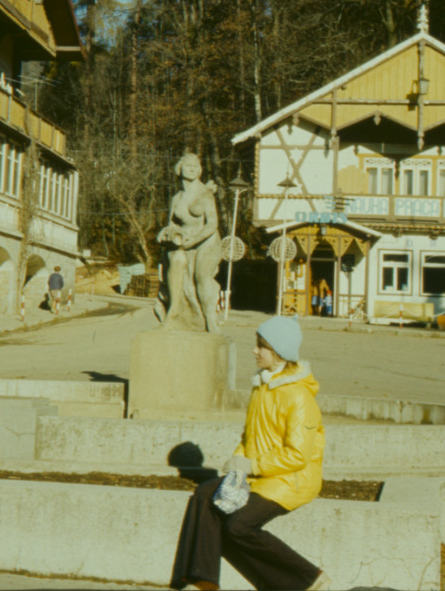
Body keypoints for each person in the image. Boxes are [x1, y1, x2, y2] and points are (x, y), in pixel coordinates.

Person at [171, 316, 328, 591]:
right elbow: (249, 436)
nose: (255, 351)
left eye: (261, 346)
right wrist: (237, 462)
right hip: (260, 474)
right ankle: (200, 578)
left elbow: (298, 456)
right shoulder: (262, 388)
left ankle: (309, 579)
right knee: (204, 493)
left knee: (238, 527)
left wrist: (251, 465)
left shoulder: (299, 397)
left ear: (278, 353)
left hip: (292, 480)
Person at [157, 152, 221, 333]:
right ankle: (173, 311)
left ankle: (210, 319)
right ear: (179, 169)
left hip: (206, 240)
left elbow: (212, 224)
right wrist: (165, 232)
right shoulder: (176, 198)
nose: (192, 168)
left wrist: (193, 241)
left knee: (202, 277)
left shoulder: (205, 193)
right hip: (184, 239)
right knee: (175, 260)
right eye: (188, 165)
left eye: (195, 166)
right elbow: (172, 223)